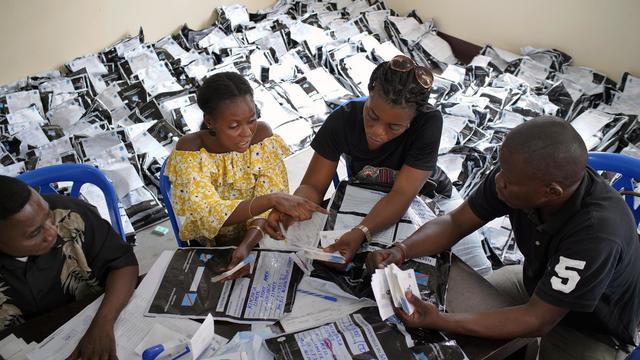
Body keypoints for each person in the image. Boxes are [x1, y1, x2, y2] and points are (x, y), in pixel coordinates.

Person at [367, 117, 640, 359]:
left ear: (552, 192)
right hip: (537, 283)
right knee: (459, 305)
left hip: (591, 327)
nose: (498, 181)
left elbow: (537, 319)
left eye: (508, 179)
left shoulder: (596, 233)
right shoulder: (516, 177)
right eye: (500, 168)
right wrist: (401, 250)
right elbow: (454, 222)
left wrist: (440, 320)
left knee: (455, 322)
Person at [266, 54, 448, 262]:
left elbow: (402, 194)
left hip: (429, 195)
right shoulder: (342, 119)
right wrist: (294, 208)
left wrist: (362, 231)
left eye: (394, 127)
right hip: (368, 196)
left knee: (463, 262)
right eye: (372, 115)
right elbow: (314, 186)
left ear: (414, 119)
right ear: (368, 93)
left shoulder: (429, 122)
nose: (378, 132)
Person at [165, 72, 326, 275]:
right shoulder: (191, 150)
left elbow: (269, 197)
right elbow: (209, 214)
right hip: (214, 244)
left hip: (261, 232)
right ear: (209, 122)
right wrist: (271, 200)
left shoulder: (262, 137)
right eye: (234, 126)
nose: (247, 132)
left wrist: (248, 242)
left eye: (251, 120)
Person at [0, 175, 139, 360]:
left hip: (99, 318)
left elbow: (123, 263)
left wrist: (103, 323)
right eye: (34, 233)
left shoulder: (69, 214)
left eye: (48, 216)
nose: (53, 232)